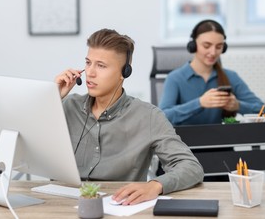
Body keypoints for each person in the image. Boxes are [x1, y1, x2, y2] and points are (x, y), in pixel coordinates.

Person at [54, 28, 204, 205]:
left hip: (119, 205)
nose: (90, 73)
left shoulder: (148, 116)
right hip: (61, 203)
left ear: (124, 73)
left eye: (101, 65)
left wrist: (155, 185)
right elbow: (24, 146)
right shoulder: (67, 105)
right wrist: (52, 97)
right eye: (88, 63)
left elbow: (191, 167)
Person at [159, 19, 265, 125]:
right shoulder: (175, 78)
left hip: (222, 142)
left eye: (219, 47)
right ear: (193, 45)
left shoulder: (231, 77)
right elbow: (162, 118)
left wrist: (238, 105)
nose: (213, 52)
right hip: (185, 143)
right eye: (206, 46)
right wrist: (199, 103)